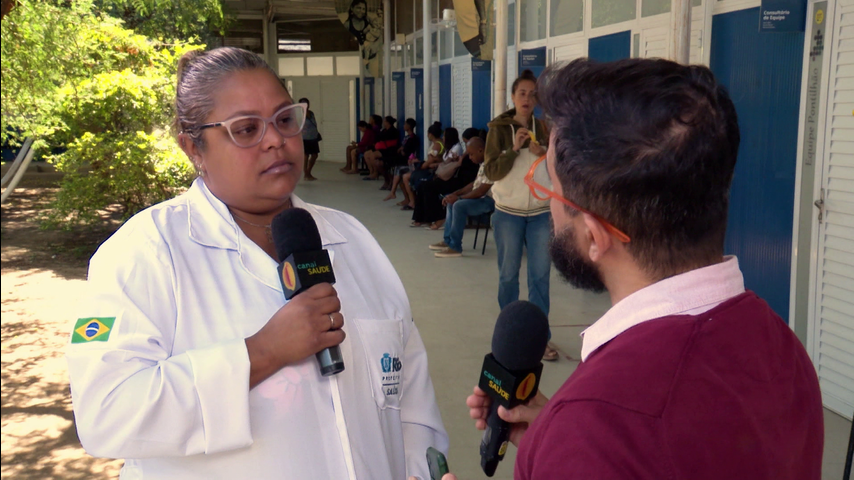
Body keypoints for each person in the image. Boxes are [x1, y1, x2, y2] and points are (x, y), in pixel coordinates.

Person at [66, 47, 448, 479]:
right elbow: (106, 415)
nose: (275, 140)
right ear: (193, 148)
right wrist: (261, 352)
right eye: (246, 129)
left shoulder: (353, 239)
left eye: (284, 120)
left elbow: (410, 400)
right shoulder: (144, 253)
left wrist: (420, 469)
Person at [460, 58, 823, 480]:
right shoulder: (786, 352)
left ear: (594, 236)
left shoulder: (594, 428)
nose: (548, 206)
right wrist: (553, 437)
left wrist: (569, 441)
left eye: (551, 188)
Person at [484, 69, 556, 361]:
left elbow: (560, 168)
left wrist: (544, 153)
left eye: (532, 94)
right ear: (513, 98)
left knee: (540, 277)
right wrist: (514, 148)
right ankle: (510, 337)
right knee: (508, 276)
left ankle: (540, 340)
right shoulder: (498, 130)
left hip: (541, 214)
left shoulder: (546, 128)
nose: (527, 98)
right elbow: (491, 172)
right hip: (508, 214)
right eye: (522, 93)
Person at [429, 137, 494, 257]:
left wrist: (459, 199)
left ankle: (455, 247)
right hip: (479, 198)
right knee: (451, 201)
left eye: (471, 154)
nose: (470, 157)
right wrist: (456, 194)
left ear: (480, 150)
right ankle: (448, 241)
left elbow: (481, 191)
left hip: (489, 201)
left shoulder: (492, 164)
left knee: (458, 205)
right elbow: (474, 185)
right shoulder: (483, 164)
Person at [411, 128, 477, 230]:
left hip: (461, 182)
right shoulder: (466, 154)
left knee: (429, 187)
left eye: (466, 142)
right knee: (423, 185)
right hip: (455, 178)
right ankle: (421, 217)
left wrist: (460, 159)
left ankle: (438, 217)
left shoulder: (473, 156)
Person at [402, 122, 444, 212]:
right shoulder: (439, 142)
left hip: (432, 171)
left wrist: (421, 166)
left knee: (406, 177)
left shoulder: (437, 145)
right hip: (432, 167)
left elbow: (431, 160)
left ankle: (412, 202)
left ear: (431, 134)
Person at [384, 118, 419, 203]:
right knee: (397, 170)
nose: (403, 126)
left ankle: (393, 192)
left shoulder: (413, 138)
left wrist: (402, 149)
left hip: (409, 163)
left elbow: (405, 152)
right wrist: (401, 149)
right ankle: (398, 194)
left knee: (399, 170)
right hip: (402, 161)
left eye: (405, 124)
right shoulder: (406, 137)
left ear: (409, 126)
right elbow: (400, 149)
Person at [364, 116, 399, 184]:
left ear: (387, 122)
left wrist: (381, 140)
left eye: (384, 121)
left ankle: (376, 173)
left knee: (372, 156)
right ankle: (371, 171)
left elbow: (384, 139)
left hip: (389, 150)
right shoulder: (384, 130)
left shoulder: (393, 131)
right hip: (381, 148)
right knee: (366, 154)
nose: (383, 123)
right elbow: (378, 138)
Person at [299, 97, 320, 181]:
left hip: (313, 137)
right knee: (306, 155)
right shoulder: (299, 114)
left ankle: (308, 172)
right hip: (304, 138)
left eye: (307, 103)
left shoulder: (311, 113)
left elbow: (314, 123)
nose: (306, 105)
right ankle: (306, 174)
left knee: (315, 155)